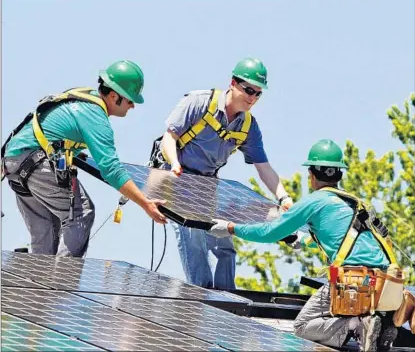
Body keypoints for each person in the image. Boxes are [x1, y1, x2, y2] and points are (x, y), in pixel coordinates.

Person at [208, 139, 402, 351]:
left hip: (353, 280)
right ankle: (378, 325)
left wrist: (231, 228)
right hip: (385, 281)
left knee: (302, 327)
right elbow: (350, 239)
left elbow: (269, 232)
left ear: (312, 174)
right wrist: (304, 241)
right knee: (333, 314)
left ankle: (355, 325)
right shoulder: (355, 203)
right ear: (339, 174)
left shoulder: (314, 201)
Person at [149, 57, 294, 290]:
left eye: (258, 94)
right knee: (193, 236)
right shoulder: (198, 103)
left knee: (222, 239)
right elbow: (170, 137)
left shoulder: (248, 127)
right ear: (233, 83)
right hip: (176, 177)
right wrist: (174, 163)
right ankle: (202, 293)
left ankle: (226, 297)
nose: (252, 98)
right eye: (248, 90)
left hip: (206, 184)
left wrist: (284, 198)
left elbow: (263, 167)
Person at [1, 60, 167, 258]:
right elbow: (111, 169)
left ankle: (41, 286)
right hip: (36, 163)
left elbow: (57, 133)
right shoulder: (96, 116)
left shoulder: (82, 99)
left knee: (47, 229)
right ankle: (62, 281)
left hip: (14, 165)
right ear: (114, 96)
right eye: (130, 100)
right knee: (81, 214)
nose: (132, 106)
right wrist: (145, 203)